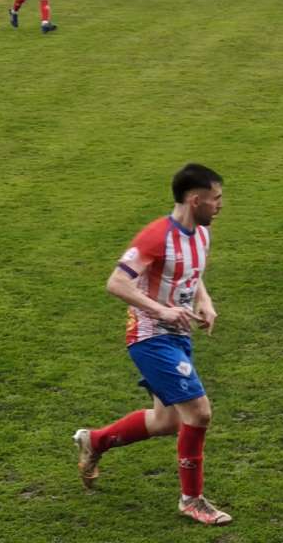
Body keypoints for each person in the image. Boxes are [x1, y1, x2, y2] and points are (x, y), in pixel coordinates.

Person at [73, 164, 233, 527]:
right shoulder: (155, 236)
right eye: (216, 199)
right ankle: (192, 500)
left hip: (177, 336)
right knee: (199, 412)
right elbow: (116, 283)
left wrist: (203, 301)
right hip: (150, 337)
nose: (220, 206)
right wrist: (161, 309)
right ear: (196, 200)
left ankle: (94, 441)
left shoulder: (201, 233)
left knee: (166, 421)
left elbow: (192, 273)